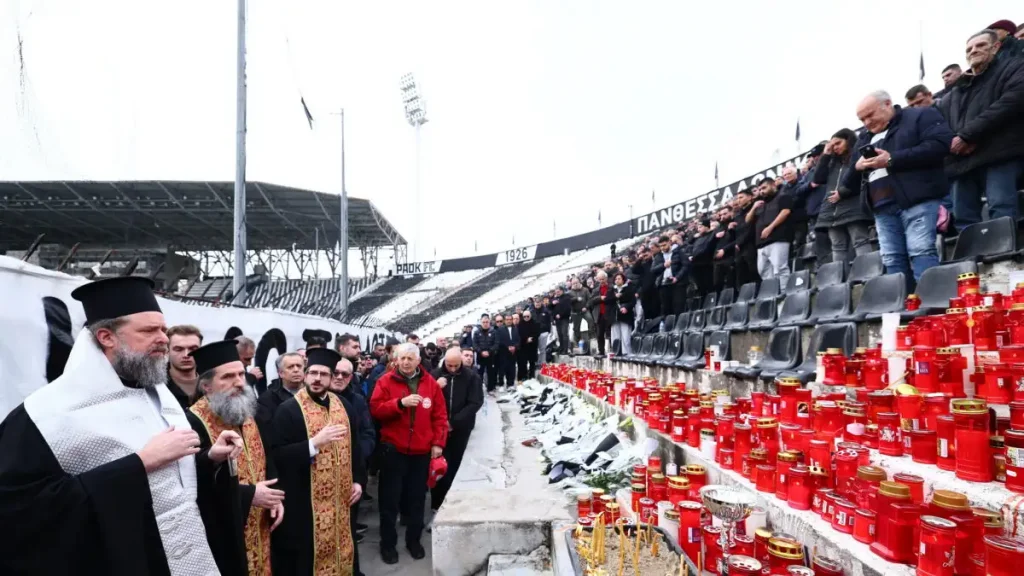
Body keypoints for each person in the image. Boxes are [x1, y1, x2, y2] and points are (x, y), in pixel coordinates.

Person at [0, 276, 241, 575]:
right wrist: (139, 464)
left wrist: (207, 460)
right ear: (106, 337)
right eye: (149, 330)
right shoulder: (44, 414)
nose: (163, 339)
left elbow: (172, 487)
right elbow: (22, 511)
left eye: (163, 329)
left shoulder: (158, 394)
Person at [187, 340, 281, 576]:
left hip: (260, 523)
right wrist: (250, 494)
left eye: (241, 373)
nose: (239, 382)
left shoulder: (249, 409)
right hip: (223, 531)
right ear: (207, 386)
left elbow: (268, 456)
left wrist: (274, 498)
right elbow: (193, 484)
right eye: (228, 377)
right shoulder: (191, 422)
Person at [842, 90, 952, 291]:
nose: (866, 123)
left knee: (921, 251)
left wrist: (892, 159)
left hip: (917, 198)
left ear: (888, 104)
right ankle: (904, 309)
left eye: (870, 115)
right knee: (892, 258)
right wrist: (857, 167)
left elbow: (939, 146)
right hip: (881, 208)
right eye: (862, 119)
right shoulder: (864, 137)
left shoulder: (920, 116)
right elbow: (848, 184)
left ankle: (931, 306)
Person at [271, 348, 365, 576]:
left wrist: (358, 481)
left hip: (341, 500)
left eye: (323, 374)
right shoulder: (288, 410)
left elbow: (356, 448)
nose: (316, 378)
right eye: (312, 372)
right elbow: (277, 456)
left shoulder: (344, 406)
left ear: (332, 378)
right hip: (305, 503)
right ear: (305, 374)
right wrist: (313, 443)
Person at [370, 343, 448, 565]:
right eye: (402, 358)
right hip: (393, 450)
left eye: (409, 359)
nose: (405, 362)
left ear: (418, 361)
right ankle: (388, 544)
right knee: (389, 501)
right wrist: (399, 404)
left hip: (420, 452)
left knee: (416, 499)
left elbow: (440, 416)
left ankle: (414, 540)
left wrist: (438, 443)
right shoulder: (385, 381)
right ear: (396, 360)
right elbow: (376, 410)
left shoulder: (430, 384)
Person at [939, 29, 1024, 230]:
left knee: (1000, 208)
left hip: (999, 154)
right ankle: (969, 260)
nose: (973, 51)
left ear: (996, 47)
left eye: (980, 45)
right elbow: (940, 125)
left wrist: (967, 135)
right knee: (963, 217)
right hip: (961, 162)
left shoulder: (1014, 68)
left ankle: (1004, 260)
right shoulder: (954, 92)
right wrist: (953, 143)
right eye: (969, 48)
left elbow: (1012, 101)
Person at [330, 356, 375, 576]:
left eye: (344, 374)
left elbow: (368, 434)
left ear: (351, 377)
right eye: (335, 373)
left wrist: (356, 457)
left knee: (348, 528)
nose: (339, 378)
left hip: (350, 475)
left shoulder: (357, 401)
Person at [429, 347, 483, 522]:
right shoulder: (435, 375)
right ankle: (436, 506)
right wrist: (436, 387)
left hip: (460, 429)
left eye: (456, 366)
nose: (452, 369)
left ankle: (452, 504)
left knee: (455, 466)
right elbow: (426, 399)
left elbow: (475, 402)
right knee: (438, 467)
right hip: (438, 430)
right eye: (449, 365)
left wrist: (454, 423)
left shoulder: (471, 377)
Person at [816, 128, 875, 263]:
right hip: (831, 212)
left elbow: (862, 178)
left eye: (838, 143)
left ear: (848, 140)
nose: (835, 147)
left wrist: (842, 193)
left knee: (860, 241)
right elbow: (818, 179)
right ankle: (840, 282)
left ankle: (868, 276)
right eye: (832, 145)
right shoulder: (831, 161)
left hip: (853, 207)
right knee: (837, 247)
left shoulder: (857, 156)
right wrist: (825, 154)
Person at [750, 178, 794, 279]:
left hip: (778, 238)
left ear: (773, 185)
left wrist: (770, 227)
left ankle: (784, 293)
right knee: (764, 272)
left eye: (764, 188)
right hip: (761, 243)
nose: (762, 191)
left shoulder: (783, 196)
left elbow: (786, 212)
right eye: (760, 189)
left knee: (780, 269)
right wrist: (753, 208)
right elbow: (748, 220)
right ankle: (772, 293)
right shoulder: (760, 204)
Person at [257, 352, 306, 424]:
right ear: (280, 373)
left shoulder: (314, 392)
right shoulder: (267, 399)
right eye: (290, 367)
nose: (296, 370)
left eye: (299, 366)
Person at [166, 324, 204, 409]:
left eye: (193, 349)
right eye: (178, 349)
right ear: (167, 351)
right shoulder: (155, 386)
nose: (186, 355)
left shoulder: (213, 383)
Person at [651, 235, 686, 315]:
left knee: (679, 307)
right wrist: (663, 265)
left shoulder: (678, 251)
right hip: (663, 285)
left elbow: (686, 265)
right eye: (661, 246)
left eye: (664, 245)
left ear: (669, 242)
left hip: (678, 284)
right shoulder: (658, 256)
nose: (662, 248)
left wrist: (677, 277)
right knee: (666, 310)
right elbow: (653, 270)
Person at [588, 271, 614, 358]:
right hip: (599, 315)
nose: (601, 281)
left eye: (603, 279)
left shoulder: (611, 287)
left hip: (609, 313)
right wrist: (600, 298)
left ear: (606, 278)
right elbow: (591, 301)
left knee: (610, 333)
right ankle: (601, 351)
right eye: (600, 279)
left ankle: (612, 350)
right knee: (599, 334)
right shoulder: (596, 290)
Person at [609, 271, 636, 355]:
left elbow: (633, 301)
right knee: (615, 337)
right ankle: (616, 352)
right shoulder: (612, 290)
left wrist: (626, 307)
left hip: (625, 316)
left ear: (623, 280)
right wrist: (614, 297)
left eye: (619, 279)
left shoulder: (629, 288)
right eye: (616, 279)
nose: (617, 280)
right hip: (614, 316)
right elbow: (607, 301)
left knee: (626, 336)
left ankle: (626, 353)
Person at [472, 314, 499, 392]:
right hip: (480, 356)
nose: (485, 323)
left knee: (491, 373)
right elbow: (474, 344)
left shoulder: (494, 332)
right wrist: (481, 352)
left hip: (491, 356)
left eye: (487, 322)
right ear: (481, 322)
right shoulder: (477, 332)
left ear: (489, 322)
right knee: (479, 374)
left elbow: (496, 343)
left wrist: (489, 351)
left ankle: (490, 389)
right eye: (483, 322)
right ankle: (479, 390)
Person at [494, 313, 520, 388]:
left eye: (510, 319)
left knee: (512, 369)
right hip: (503, 352)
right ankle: (501, 384)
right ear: (505, 321)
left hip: (513, 353)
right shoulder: (500, 329)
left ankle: (510, 383)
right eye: (507, 320)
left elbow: (518, 339)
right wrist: (507, 347)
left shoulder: (515, 328)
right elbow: (499, 341)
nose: (509, 321)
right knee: (502, 369)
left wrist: (515, 347)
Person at [568, 278, 594, 352]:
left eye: (576, 283)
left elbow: (590, 299)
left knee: (590, 320)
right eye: (574, 283)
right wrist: (576, 299)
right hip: (575, 312)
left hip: (585, 310)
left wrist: (586, 307)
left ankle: (592, 337)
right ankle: (577, 342)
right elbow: (568, 301)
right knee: (576, 328)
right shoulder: (569, 292)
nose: (575, 285)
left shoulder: (585, 290)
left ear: (579, 282)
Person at [518, 309, 540, 380]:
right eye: (524, 317)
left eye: (527, 316)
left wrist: (532, 338)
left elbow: (537, 333)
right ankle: (524, 376)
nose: (526, 318)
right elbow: (519, 335)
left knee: (532, 362)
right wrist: (526, 339)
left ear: (530, 316)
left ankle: (532, 376)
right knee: (523, 362)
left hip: (532, 346)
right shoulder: (520, 324)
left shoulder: (535, 323)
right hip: (524, 346)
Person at [551, 286, 572, 355]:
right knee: (559, 334)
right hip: (557, 320)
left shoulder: (566, 297)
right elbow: (550, 308)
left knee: (564, 333)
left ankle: (566, 349)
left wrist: (561, 315)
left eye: (558, 291)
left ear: (562, 291)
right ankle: (561, 348)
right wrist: (552, 304)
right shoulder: (555, 298)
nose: (557, 293)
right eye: (556, 292)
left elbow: (568, 309)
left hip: (564, 318)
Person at [534, 296, 553, 366]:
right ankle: (535, 363)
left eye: (538, 302)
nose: (537, 304)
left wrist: (548, 331)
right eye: (536, 303)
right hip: (534, 333)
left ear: (541, 303)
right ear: (534, 303)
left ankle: (542, 363)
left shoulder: (545, 311)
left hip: (543, 333)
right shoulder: (531, 311)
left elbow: (549, 321)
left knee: (542, 349)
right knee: (534, 349)